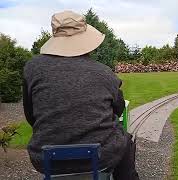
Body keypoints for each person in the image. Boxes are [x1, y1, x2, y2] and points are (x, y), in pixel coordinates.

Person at [23, 11, 139, 180]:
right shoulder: (104, 72)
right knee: (125, 139)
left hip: (46, 159)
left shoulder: (32, 68)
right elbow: (119, 109)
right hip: (100, 157)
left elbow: (31, 114)